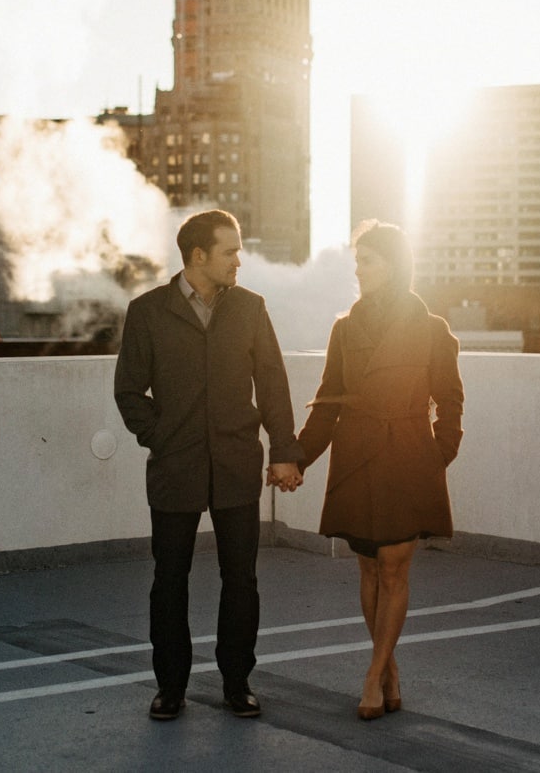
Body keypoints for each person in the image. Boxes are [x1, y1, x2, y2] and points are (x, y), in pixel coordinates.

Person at [114, 209, 303, 722]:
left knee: (240, 579)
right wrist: (161, 435)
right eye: (231, 251)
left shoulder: (250, 308)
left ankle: (237, 682)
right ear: (198, 256)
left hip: (237, 466)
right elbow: (129, 391)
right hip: (176, 468)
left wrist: (285, 449)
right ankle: (170, 687)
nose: (239, 260)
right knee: (169, 579)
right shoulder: (147, 312)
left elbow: (273, 384)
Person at [294, 220, 463, 721]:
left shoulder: (433, 330)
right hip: (358, 453)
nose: (358, 270)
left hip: (408, 455)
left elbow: (450, 400)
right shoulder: (345, 329)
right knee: (369, 567)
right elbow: (327, 404)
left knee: (394, 566)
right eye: (357, 261)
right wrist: (296, 457)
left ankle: (372, 675)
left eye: (366, 260)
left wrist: (439, 454)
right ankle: (387, 667)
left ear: (391, 264)